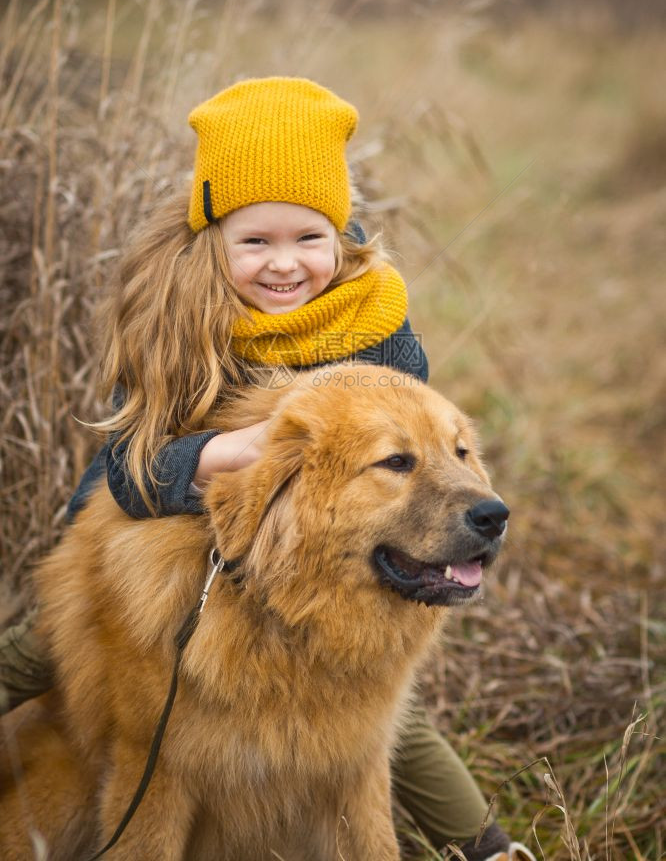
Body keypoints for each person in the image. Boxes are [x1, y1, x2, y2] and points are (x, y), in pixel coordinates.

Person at [0, 77, 535, 861]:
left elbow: (421, 432)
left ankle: (487, 847)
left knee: (381, 707)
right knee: (59, 630)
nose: (285, 265)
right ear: (213, 241)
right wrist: (224, 456)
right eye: (256, 242)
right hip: (155, 492)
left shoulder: (378, 321)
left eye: (307, 239)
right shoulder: (177, 314)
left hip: (309, 526)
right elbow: (129, 469)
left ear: (341, 238)